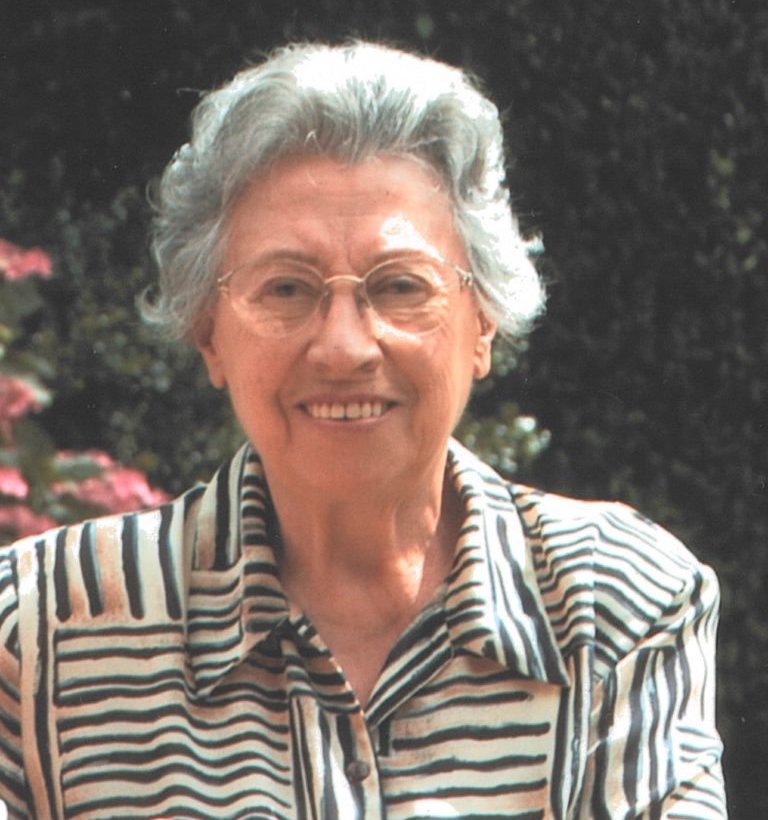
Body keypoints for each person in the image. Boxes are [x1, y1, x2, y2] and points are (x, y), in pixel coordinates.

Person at [0, 41, 725, 819]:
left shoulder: (618, 603)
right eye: (286, 288)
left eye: (400, 286)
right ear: (209, 333)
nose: (344, 347)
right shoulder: (41, 629)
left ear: (483, 323)